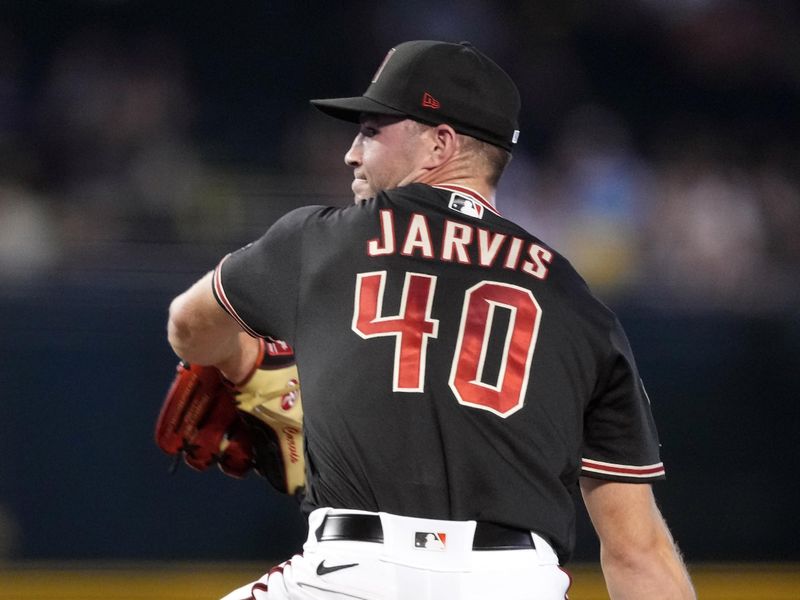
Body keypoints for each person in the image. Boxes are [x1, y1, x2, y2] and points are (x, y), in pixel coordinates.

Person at [167, 40, 695, 600]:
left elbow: (187, 326)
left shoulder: (325, 239)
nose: (352, 152)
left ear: (440, 143)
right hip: (517, 583)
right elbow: (640, 554)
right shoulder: (580, 305)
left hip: (357, 572)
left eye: (371, 130)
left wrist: (245, 365)